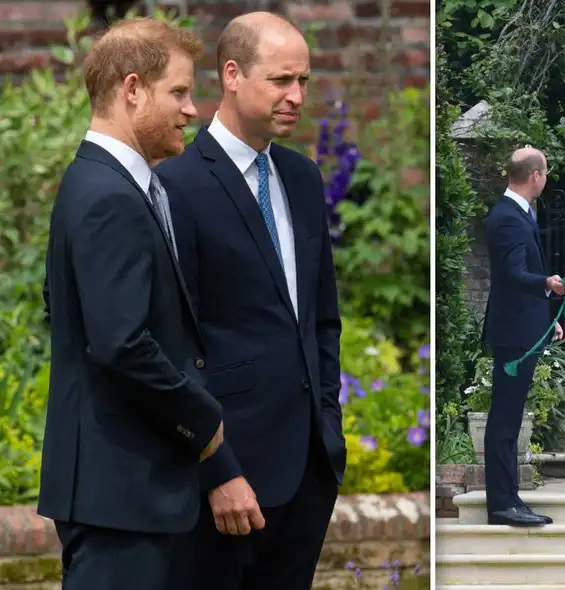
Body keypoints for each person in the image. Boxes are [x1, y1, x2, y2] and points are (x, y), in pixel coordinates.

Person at [155, 12, 345, 589]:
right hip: (227, 476)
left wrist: (329, 430)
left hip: (309, 470)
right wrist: (216, 469)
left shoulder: (302, 177)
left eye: (303, 82)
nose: (296, 96)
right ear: (232, 75)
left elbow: (321, 319)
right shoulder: (176, 185)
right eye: (281, 80)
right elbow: (174, 344)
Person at [38, 18, 225, 590]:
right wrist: (204, 421)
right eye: (179, 92)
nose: (193, 110)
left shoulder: (106, 183)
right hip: (120, 496)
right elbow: (120, 343)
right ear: (133, 88)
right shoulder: (107, 196)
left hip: (125, 490)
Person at [483, 146, 565, 526]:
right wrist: (548, 283)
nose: (545, 179)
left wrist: (547, 320)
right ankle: (502, 504)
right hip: (513, 334)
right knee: (504, 418)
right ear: (535, 176)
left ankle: (510, 498)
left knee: (510, 417)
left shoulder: (520, 212)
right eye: (545, 173)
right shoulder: (508, 218)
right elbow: (514, 275)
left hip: (524, 327)